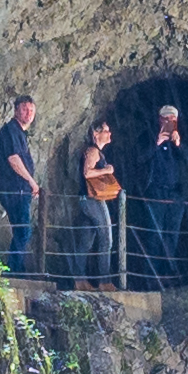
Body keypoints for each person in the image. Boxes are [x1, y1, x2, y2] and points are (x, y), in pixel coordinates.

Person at [138, 103, 188, 280]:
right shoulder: (148, 136)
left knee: (173, 235)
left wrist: (178, 144)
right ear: (160, 120)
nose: (170, 122)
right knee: (154, 235)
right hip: (155, 193)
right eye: (166, 119)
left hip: (176, 194)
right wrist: (157, 143)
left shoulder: (183, 137)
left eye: (173, 119)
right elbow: (139, 158)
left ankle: (169, 273)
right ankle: (151, 275)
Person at [0, 96, 40, 277]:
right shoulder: (10, 131)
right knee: (23, 231)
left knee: (21, 230)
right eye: (24, 109)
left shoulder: (20, 133)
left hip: (20, 189)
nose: (28, 113)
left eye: (31, 110)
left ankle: (16, 269)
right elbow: (13, 159)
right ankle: (14, 271)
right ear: (16, 110)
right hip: (14, 189)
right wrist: (31, 181)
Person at [79, 120, 125, 290]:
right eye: (106, 130)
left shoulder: (95, 152)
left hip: (85, 200)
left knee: (86, 242)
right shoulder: (93, 151)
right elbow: (87, 172)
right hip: (94, 201)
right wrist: (107, 170)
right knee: (106, 239)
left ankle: (79, 280)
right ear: (96, 134)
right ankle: (104, 282)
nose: (109, 133)